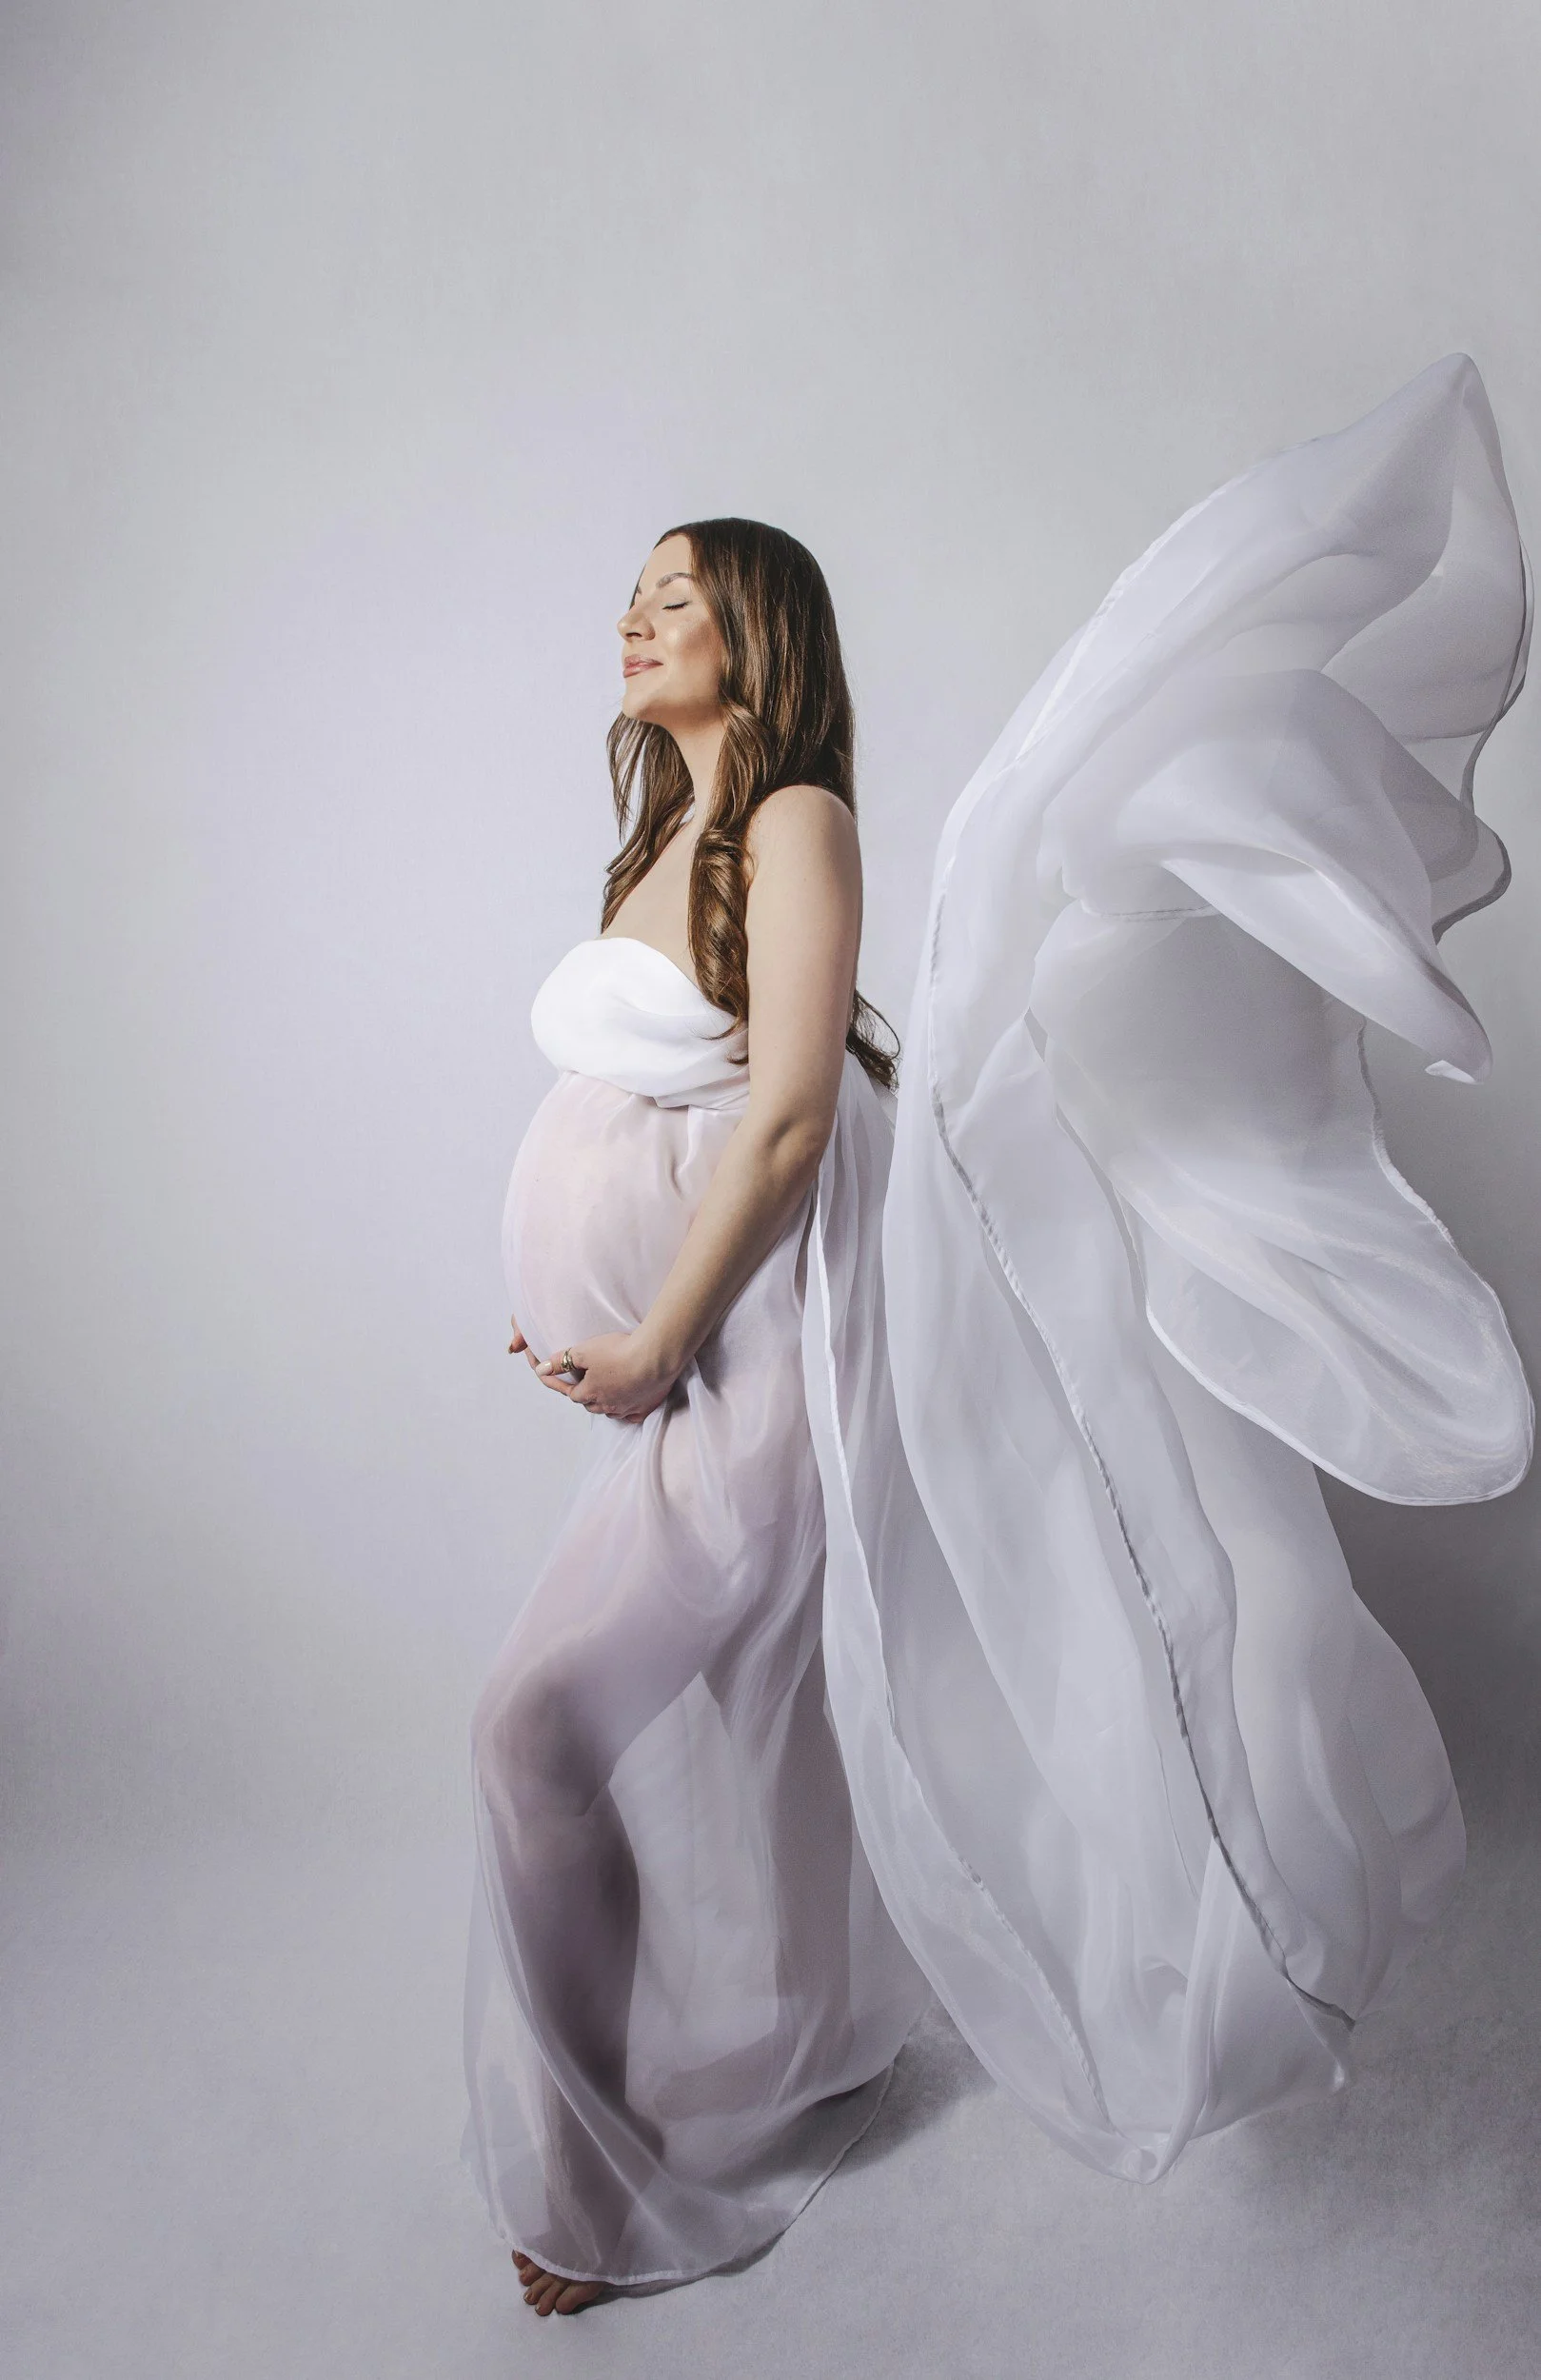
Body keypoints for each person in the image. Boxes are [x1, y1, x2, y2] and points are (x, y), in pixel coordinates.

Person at [464, 356, 1534, 2319]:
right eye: (631, 592)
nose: (634, 615)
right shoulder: (655, 839)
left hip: (745, 1383)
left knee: (533, 1731)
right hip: (680, 1380)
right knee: (743, 1727)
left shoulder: (792, 820)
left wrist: (651, 1336)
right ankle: (786, 2043)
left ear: (756, 632)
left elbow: (784, 1117)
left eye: (675, 593)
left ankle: (586, 2183)